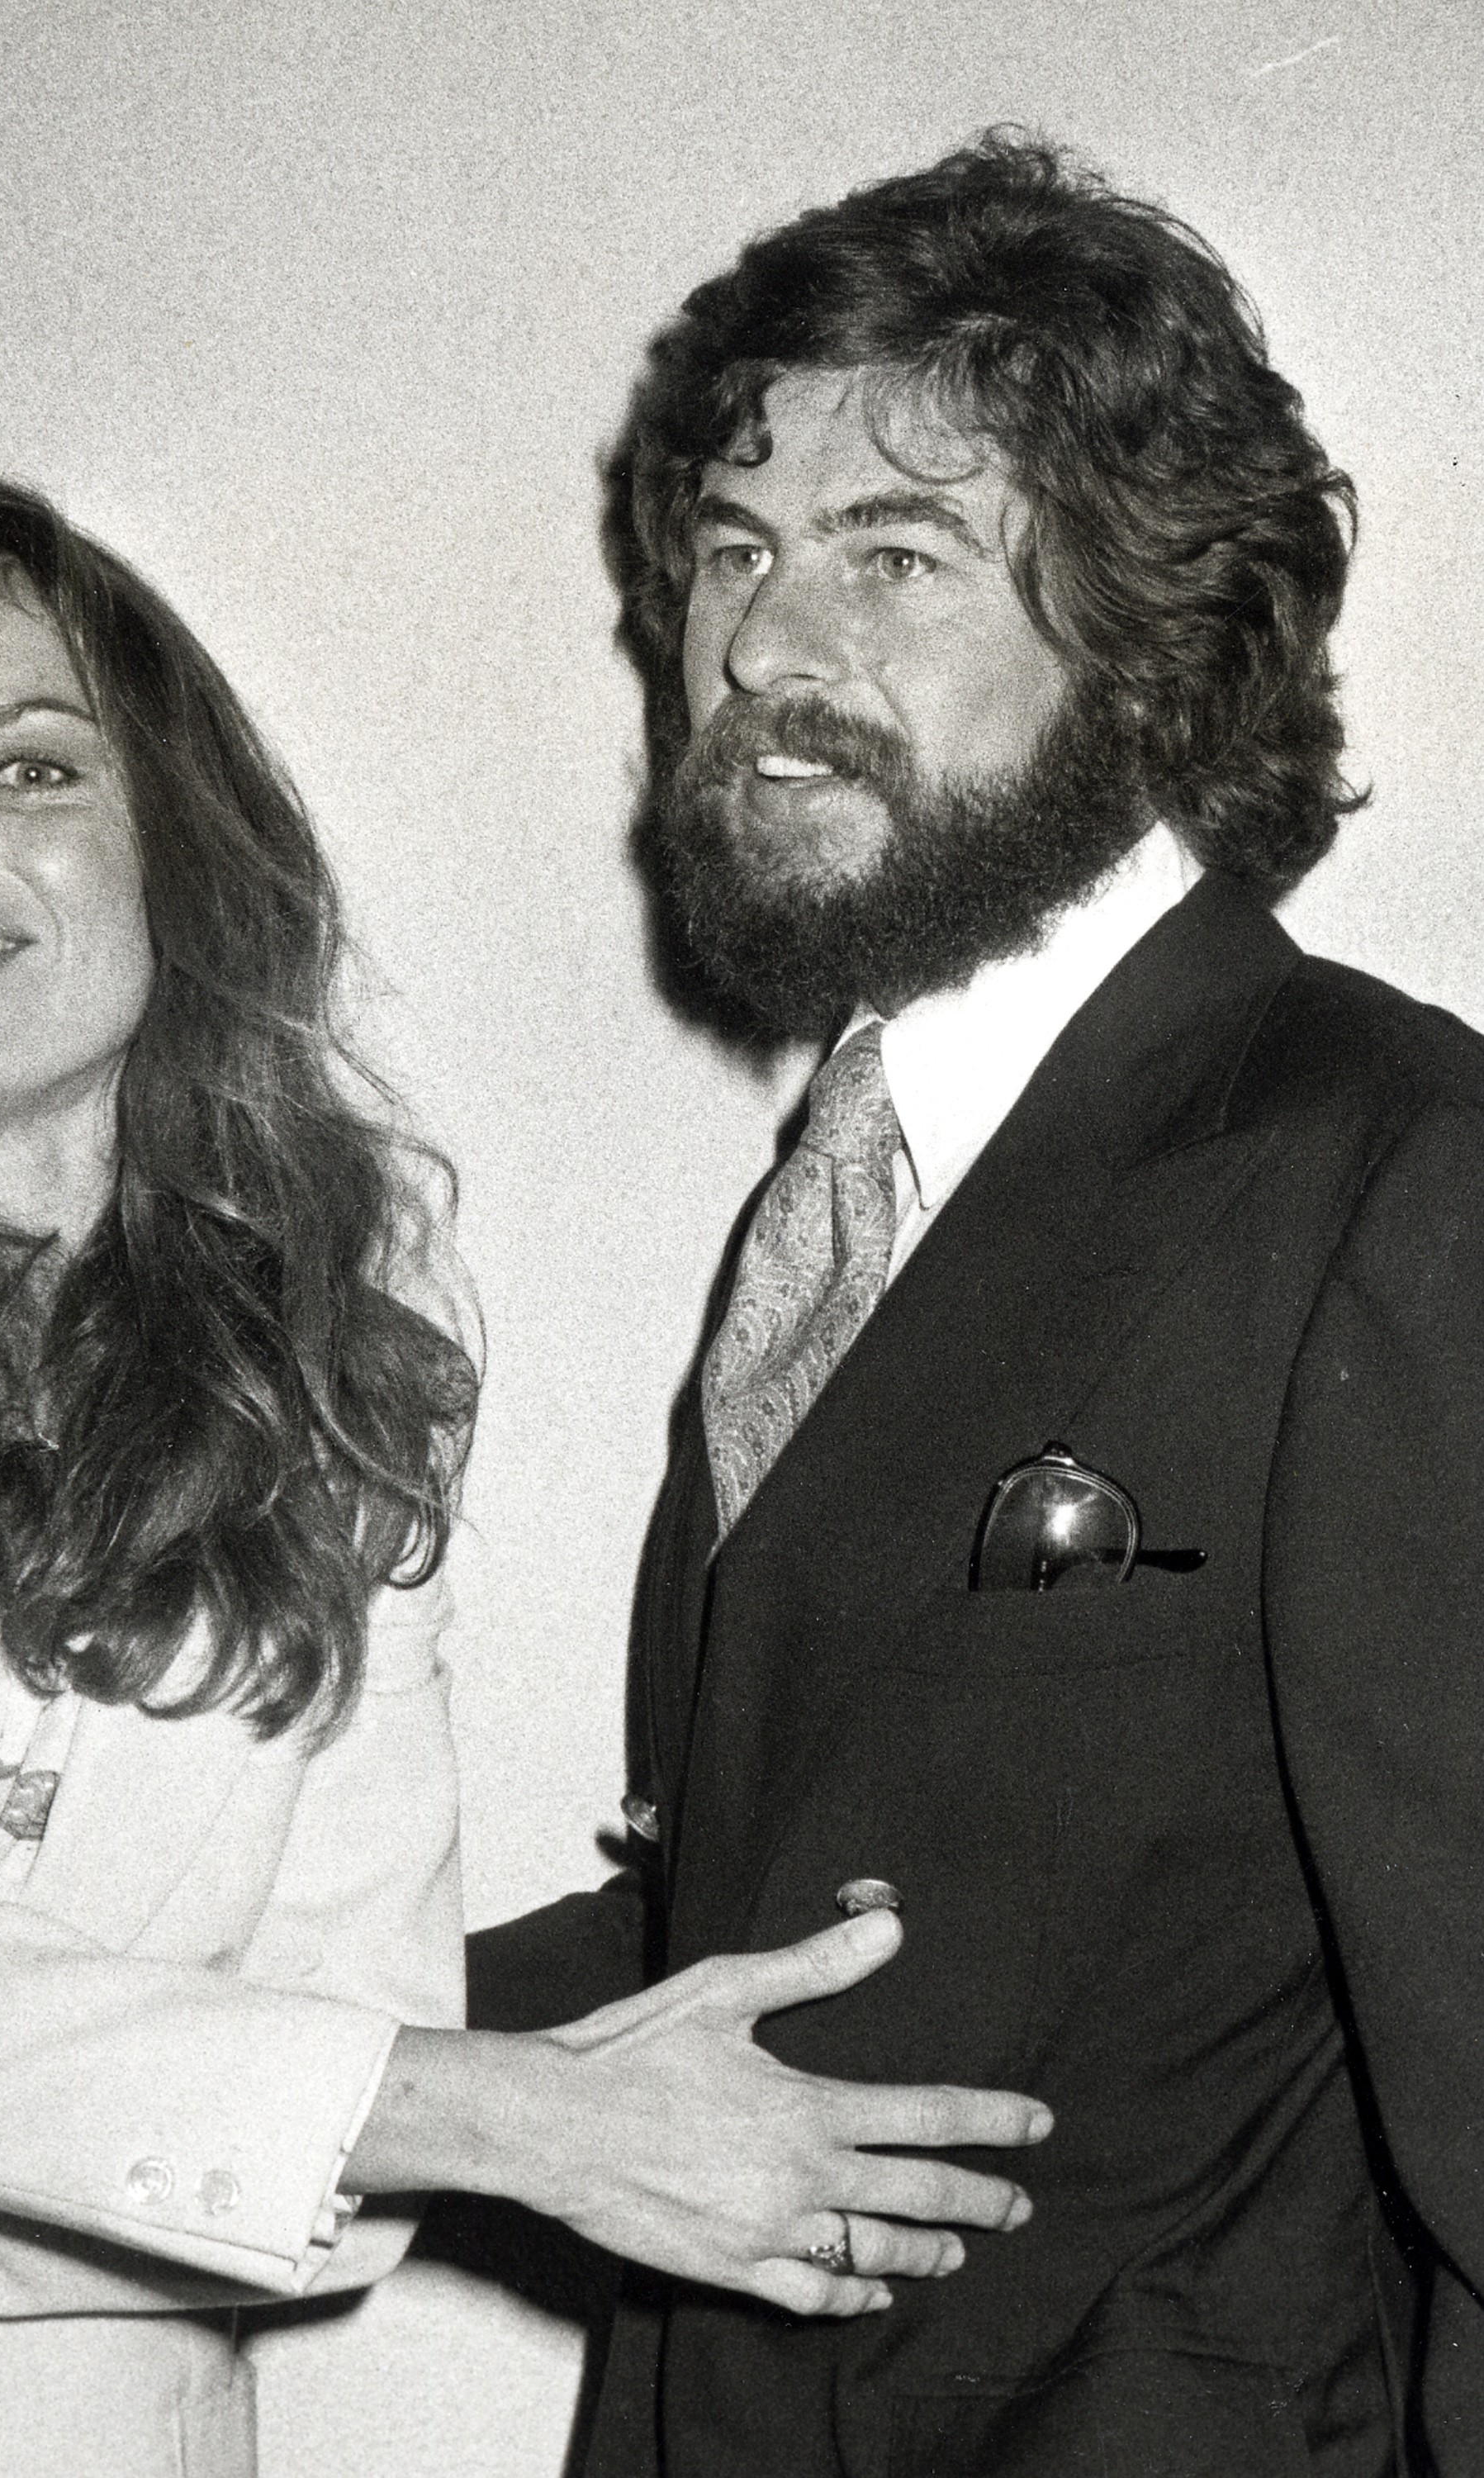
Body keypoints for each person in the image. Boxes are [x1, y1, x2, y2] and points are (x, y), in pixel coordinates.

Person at [0, 478, 1050, 2478]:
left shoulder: (343, 1318)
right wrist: (509, 2117)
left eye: (34, 765)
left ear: (173, 842)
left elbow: (334, 2138)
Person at [469, 131, 1484, 2477]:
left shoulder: (1390, 1170)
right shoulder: (843, 1192)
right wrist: (119, 2063)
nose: (761, 649)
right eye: (729, 556)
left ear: (1141, 642)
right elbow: (801, 1929)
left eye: (892, 555)